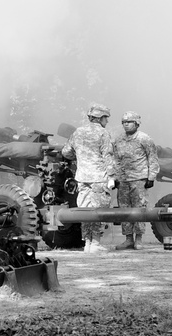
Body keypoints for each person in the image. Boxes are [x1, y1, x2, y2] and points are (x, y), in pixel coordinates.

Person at [62, 103, 114, 253]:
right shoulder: (103, 133)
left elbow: (66, 152)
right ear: (99, 118)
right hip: (99, 178)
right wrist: (112, 176)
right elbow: (108, 156)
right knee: (99, 210)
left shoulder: (78, 132)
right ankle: (96, 243)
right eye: (106, 118)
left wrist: (80, 157)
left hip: (82, 177)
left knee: (85, 211)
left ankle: (87, 244)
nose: (107, 121)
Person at [110, 111, 160, 250]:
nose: (126, 125)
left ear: (137, 124)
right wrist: (114, 177)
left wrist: (151, 177)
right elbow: (115, 160)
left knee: (139, 209)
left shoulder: (145, 139)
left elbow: (152, 158)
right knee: (124, 210)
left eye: (129, 122)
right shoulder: (118, 140)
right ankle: (128, 239)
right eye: (124, 122)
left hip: (139, 179)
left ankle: (138, 239)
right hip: (123, 180)